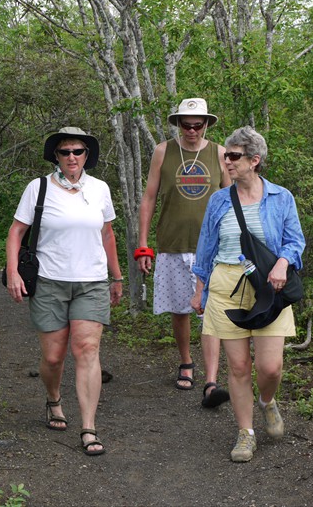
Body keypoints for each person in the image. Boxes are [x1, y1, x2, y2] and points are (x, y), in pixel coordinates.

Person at [5, 127, 124, 456]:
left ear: (88, 155)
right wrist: (14, 271)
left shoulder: (99, 189)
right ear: (55, 156)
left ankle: (89, 427)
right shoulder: (38, 188)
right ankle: (54, 399)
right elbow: (17, 232)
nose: (72, 157)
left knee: (87, 349)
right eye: (65, 152)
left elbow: (108, 234)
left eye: (78, 151)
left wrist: (116, 277)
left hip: (92, 281)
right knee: (54, 357)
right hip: (49, 281)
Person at [191, 126, 305, 463]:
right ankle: (246, 433)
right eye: (226, 155)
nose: (227, 161)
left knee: (270, 367)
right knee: (239, 367)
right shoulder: (218, 200)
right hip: (226, 283)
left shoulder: (280, 197)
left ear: (254, 160)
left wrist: (284, 262)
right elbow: (206, 246)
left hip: (270, 286)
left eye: (234, 156)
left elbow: (295, 240)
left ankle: (267, 401)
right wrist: (200, 287)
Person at [137, 98, 231, 405]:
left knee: (212, 311)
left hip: (213, 249)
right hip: (173, 243)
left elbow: (233, 200)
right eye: (185, 124)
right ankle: (187, 362)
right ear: (178, 124)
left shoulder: (218, 153)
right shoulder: (163, 151)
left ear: (206, 124)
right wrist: (143, 244)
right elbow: (149, 198)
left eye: (197, 124)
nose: (191, 130)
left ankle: (212, 378)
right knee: (180, 310)